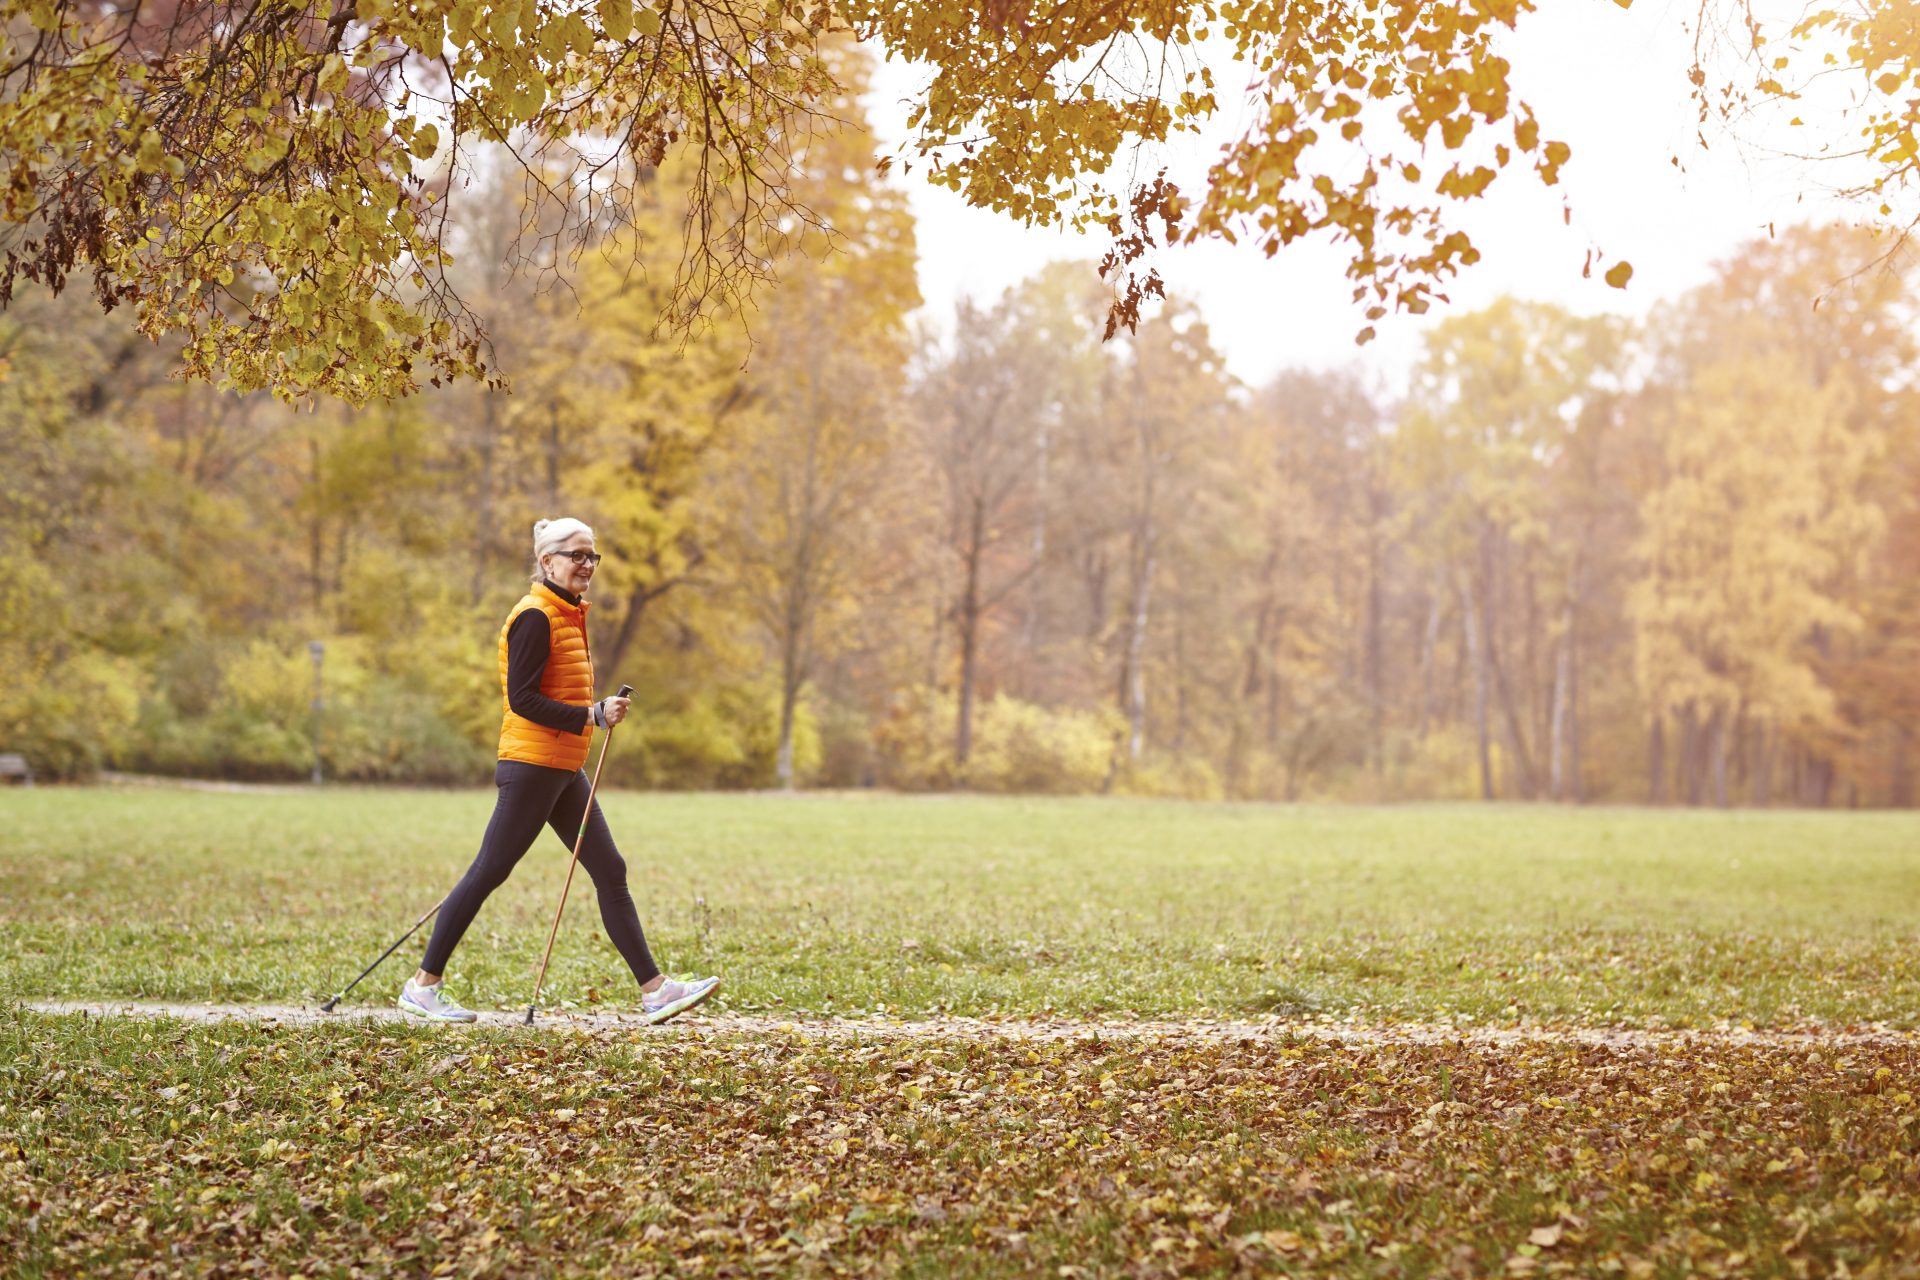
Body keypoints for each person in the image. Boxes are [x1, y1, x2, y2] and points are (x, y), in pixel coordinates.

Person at [398, 517, 721, 1024]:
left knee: (610, 870)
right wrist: (591, 715)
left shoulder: (569, 614)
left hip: (563, 767)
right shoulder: (534, 616)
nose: (587, 565)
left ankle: (655, 991)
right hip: (530, 766)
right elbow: (522, 700)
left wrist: (594, 710)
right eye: (577, 555)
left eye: (593, 556)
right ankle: (423, 986)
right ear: (548, 561)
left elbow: (559, 691)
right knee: (490, 871)